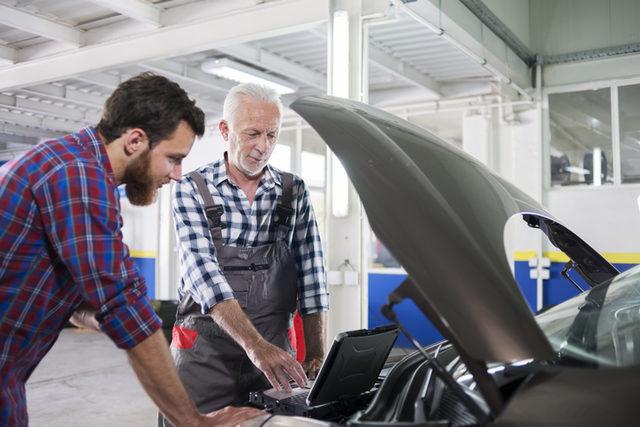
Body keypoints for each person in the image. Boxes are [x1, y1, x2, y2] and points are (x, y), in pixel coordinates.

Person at [0, 72, 263, 427]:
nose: (177, 174)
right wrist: (193, 421)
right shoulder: (78, 178)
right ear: (135, 140)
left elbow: (76, 300)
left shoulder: (68, 162)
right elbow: (124, 304)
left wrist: (105, 317)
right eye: (173, 157)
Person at [168, 83, 329, 417]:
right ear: (225, 130)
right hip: (203, 355)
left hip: (274, 356)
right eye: (253, 133)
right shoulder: (192, 189)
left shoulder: (292, 191)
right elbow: (204, 276)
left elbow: (313, 273)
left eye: (272, 134)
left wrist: (316, 352)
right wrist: (255, 346)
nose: (263, 147)